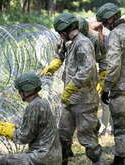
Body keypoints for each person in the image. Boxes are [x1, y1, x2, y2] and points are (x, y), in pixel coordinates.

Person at [40, 12, 106, 165]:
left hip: (85, 100)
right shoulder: (69, 41)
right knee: (63, 135)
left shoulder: (83, 43)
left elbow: (87, 70)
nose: (60, 37)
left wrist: (71, 88)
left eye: (60, 33)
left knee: (87, 139)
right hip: (70, 100)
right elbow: (61, 54)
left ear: (64, 31)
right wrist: (54, 65)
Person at [96, 3, 125, 165]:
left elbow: (114, 65)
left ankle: (119, 159)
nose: (104, 25)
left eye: (104, 22)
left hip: (120, 86)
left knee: (119, 124)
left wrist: (106, 87)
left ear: (110, 18)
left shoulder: (115, 35)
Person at [0, 72, 62, 165]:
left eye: (19, 91)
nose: (19, 93)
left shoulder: (34, 106)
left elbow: (24, 138)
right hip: (52, 155)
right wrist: (12, 127)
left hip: (42, 157)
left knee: (3, 162)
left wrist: (7, 132)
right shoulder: (42, 102)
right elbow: (33, 130)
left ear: (24, 91)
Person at [79, 18, 113, 136]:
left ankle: (106, 127)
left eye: (100, 29)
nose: (99, 32)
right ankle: (101, 126)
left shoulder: (103, 38)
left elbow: (104, 60)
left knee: (106, 99)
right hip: (86, 75)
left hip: (105, 72)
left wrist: (103, 78)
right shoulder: (75, 38)